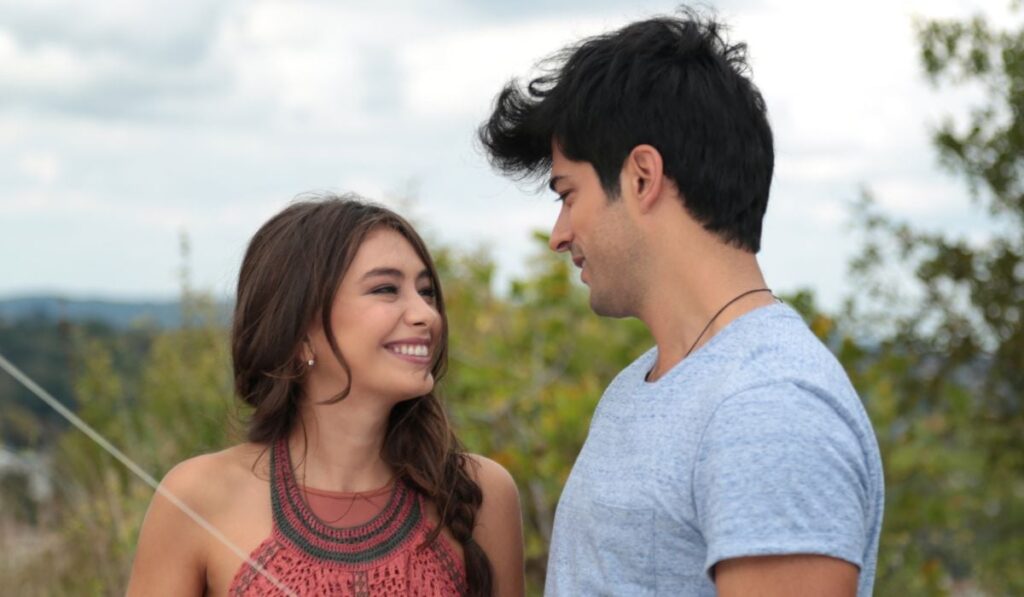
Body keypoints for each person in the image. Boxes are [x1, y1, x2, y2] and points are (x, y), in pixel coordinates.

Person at [478, 7, 883, 597]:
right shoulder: (641, 384)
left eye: (568, 194)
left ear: (642, 177)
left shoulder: (768, 407)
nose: (558, 235)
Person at [126, 195, 524, 596]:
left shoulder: (482, 493)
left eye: (426, 291)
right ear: (299, 332)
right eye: (386, 289)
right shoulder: (197, 496)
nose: (426, 314)